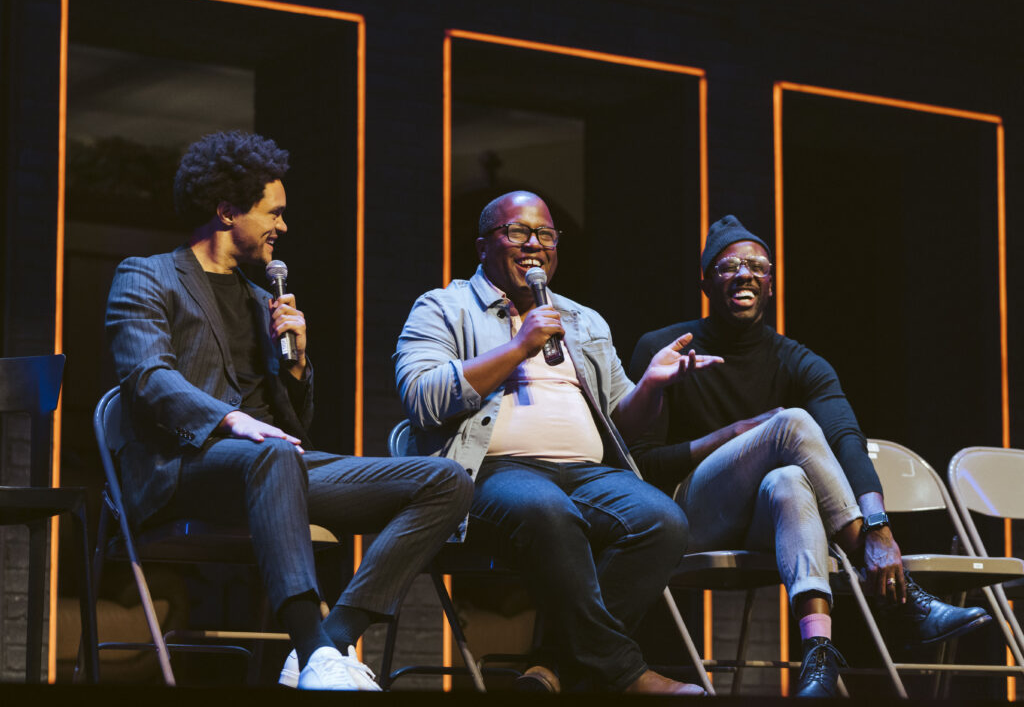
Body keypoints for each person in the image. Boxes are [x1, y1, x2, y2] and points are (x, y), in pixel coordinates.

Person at [105, 131, 473, 690]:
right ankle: (311, 643)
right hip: (182, 467)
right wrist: (232, 420)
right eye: (273, 213)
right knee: (272, 455)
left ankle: (328, 644)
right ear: (228, 211)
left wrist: (297, 364)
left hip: (271, 467)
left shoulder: (262, 301)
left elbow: (294, 428)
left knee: (445, 480)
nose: (283, 226)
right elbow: (148, 380)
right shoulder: (147, 276)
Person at [629, 214, 991, 697]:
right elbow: (638, 465)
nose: (745, 274)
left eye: (758, 265)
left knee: (789, 482)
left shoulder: (796, 359)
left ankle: (819, 659)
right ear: (706, 281)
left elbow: (845, 435)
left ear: (771, 284)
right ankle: (900, 598)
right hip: (685, 517)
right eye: (729, 265)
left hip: (764, 523)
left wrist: (880, 523)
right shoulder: (667, 349)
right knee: (793, 423)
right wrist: (738, 432)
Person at [394, 190, 722, 695]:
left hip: (588, 474)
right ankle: (625, 673)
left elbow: (620, 426)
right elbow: (422, 398)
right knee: (549, 510)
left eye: (545, 234)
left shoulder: (584, 320)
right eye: (517, 232)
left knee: (662, 520)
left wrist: (653, 386)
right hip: (491, 473)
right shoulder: (445, 306)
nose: (534, 245)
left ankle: (553, 668)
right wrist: (519, 345)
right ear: (483, 245)